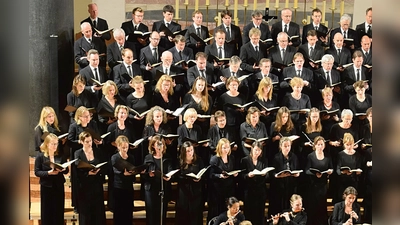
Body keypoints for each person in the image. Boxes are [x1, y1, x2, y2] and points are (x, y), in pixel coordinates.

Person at [67, 106, 102, 211]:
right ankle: (78, 205)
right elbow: (69, 141)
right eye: (85, 116)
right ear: (79, 117)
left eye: (89, 116)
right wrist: (80, 142)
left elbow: (98, 136)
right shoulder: (74, 126)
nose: (88, 118)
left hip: (91, 154)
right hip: (79, 156)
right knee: (79, 180)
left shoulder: (93, 124)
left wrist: (99, 141)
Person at [34, 133, 69, 225]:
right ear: (47, 144)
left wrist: (64, 169)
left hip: (58, 185)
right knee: (47, 211)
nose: (55, 146)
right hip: (47, 186)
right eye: (53, 144)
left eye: (56, 143)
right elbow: (37, 172)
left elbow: (66, 171)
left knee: (58, 210)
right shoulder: (40, 156)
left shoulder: (60, 155)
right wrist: (48, 173)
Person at [74, 131, 106, 225]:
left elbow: (104, 165)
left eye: (90, 141)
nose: (89, 143)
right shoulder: (78, 153)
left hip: (96, 185)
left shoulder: (97, 151)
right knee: (86, 214)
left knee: (97, 213)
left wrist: (99, 170)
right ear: (82, 142)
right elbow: (77, 169)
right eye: (87, 141)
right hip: (84, 187)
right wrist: (88, 173)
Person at [143, 135, 174, 225]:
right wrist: (149, 174)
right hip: (151, 189)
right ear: (153, 145)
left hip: (163, 187)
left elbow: (170, 170)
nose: (160, 147)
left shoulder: (167, 157)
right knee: (151, 214)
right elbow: (143, 175)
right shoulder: (148, 158)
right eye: (158, 144)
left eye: (162, 144)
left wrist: (169, 176)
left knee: (162, 214)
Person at [208, 138, 239, 222]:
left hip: (229, 188)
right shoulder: (214, 159)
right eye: (224, 147)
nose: (226, 149)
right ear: (220, 148)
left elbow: (234, 169)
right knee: (218, 211)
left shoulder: (231, 158)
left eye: (228, 147)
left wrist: (235, 174)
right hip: (218, 190)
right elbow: (211, 175)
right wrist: (220, 176)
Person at [269, 137, 301, 216]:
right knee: (279, 205)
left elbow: (297, 169)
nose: (287, 148)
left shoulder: (294, 157)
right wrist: (277, 176)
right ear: (281, 146)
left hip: (290, 185)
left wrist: (297, 174)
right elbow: (272, 172)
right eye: (285, 146)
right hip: (279, 186)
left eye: (289, 146)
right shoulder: (276, 157)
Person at [304, 136, 333, 225]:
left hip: (323, 185)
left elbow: (331, 168)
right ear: (315, 145)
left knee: (322, 206)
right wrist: (315, 174)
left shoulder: (327, 156)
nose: (320, 146)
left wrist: (330, 171)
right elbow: (307, 170)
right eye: (318, 144)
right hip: (313, 185)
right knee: (313, 206)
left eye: (322, 144)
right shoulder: (311, 156)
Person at [175, 141, 205, 225]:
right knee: (183, 215)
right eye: (188, 151)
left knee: (195, 215)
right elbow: (176, 176)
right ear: (184, 152)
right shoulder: (179, 161)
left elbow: (203, 173)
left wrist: (200, 178)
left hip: (196, 191)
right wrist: (186, 178)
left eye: (191, 150)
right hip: (183, 191)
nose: (190, 152)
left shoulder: (199, 160)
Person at [240, 141, 269, 225]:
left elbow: (268, 176)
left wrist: (264, 174)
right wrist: (248, 175)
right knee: (249, 213)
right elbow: (241, 176)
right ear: (252, 149)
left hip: (260, 191)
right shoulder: (245, 160)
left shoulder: (264, 160)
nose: (257, 152)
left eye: (259, 151)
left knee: (260, 214)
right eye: (256, 150)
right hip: (249, 191)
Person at [111, 135, 136, 225]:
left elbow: (133, 169)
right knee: (118, 213)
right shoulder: (115, 157)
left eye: (127, 147)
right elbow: (115, 170)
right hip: (118, 187)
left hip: (128, 187)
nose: (125, 149)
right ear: (118, 146)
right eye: (123, 147)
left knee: (128, 212)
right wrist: (123, 173)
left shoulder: (131, 157)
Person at [335, 133, 362, 204]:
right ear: (344, 144)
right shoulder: (340, 155)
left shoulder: (357, 155)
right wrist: (342, 172)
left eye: (351, 144)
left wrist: (358, 172)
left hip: (353, 181)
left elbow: (359, 167)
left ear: (354, 144)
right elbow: (337, 169)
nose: (349, 146)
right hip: (343, 182)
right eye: (347, 144)